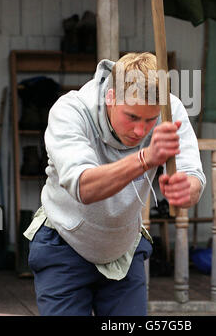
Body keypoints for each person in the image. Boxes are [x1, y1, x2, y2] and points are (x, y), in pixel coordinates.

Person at [24, 52, 206, 316]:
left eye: (149, 120)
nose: (140, 131)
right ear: (110, 97)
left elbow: (193, 176)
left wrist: (186, 190)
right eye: (132, 117)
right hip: (64, 241)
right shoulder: (71, 111)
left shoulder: (169, 110)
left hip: (123, 247)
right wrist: (145, 158)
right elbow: (84, 187)